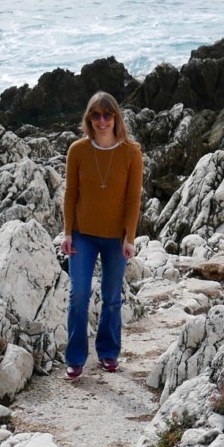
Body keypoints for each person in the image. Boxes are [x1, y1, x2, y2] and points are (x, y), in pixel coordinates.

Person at [62, 90, 143, 381]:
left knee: (111, 298)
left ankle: (108, 353)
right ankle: (75, 359)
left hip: (115, 239)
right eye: (95, 115)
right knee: (78, 295)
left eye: (107, 115)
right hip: (82, 236)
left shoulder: (131, 152)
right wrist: (67, 233)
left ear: (116, 118)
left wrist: (129, 238)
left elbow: (134, 199)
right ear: (89, 119)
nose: (102, 121)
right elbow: (71, 194)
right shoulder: (78, 150)